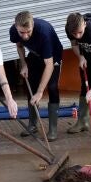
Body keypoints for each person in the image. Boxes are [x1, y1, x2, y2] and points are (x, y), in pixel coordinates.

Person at [9, 11, 63, 141]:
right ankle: (33, 125)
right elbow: (20, 45)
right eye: (22, 32)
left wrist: (40, 92)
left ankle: (53, 129)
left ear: (33, 25)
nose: (25, 36)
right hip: (35, 55)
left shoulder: (44, 33)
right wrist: (23, 64)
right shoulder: (14, 31)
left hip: (53, 57)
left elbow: (49, 65)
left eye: (28, 31)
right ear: (16, 27)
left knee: (52, 87)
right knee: (30, 88)